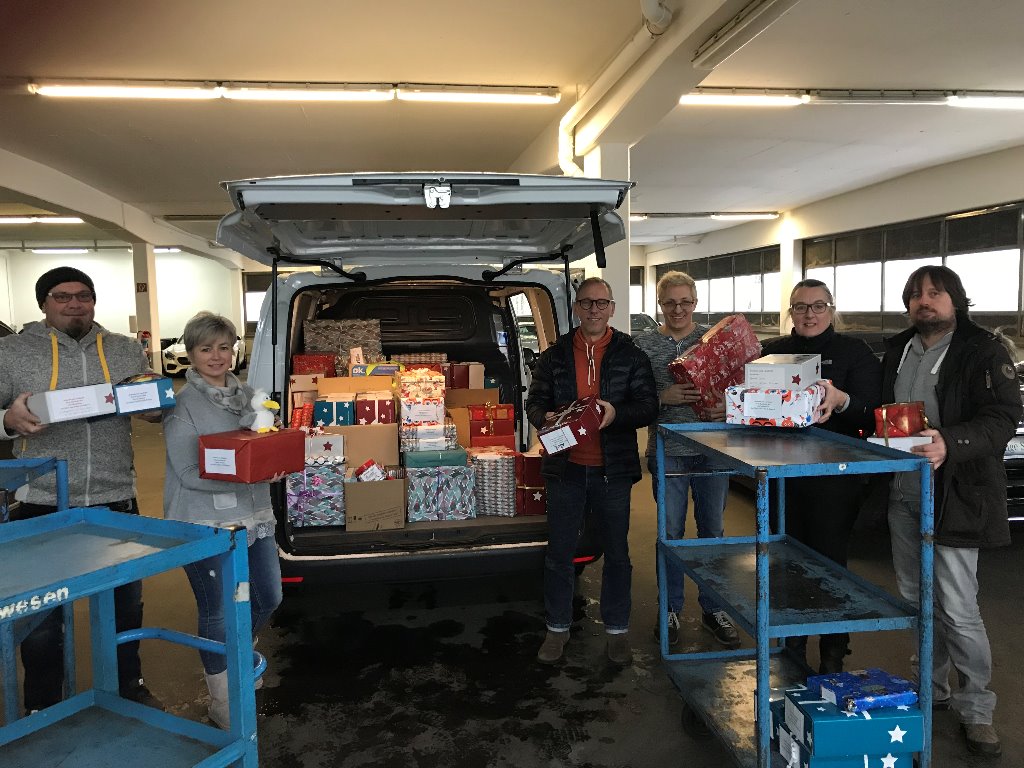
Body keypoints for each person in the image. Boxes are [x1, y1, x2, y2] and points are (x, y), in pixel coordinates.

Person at [0, 266, 162, 713]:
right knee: (42, 618)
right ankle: (44, 704)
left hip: (115, 497)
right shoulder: (11, 352)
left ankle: (128, 686)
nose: (75, 304)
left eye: (83, 296)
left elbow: (150, 404)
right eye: (62, 296)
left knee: (124, 606)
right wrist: (7, 420)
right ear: (43, 303)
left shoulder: (125, 349)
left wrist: (154, 407)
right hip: (41, 500)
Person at [882, 266, 1020, 758]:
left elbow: (1004, 416)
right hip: (904, 493)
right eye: (916, 295)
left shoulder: (982, 351)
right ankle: (931, 687)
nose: (925, 301)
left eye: (936, 293)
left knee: (958, 608)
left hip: (956, 494)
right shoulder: (899, 349)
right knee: (916, 599)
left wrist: (951, 442)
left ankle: (977, 710)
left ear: (956, 300)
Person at [525, 277, 658, 666]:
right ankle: (557, 628)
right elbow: (535, 401)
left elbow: (648, 406)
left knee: (617, 553)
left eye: (601, 303)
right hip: (565, 470)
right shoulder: (555, 355)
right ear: (576, 308)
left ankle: (617, 630)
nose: (594, 309)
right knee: (559, 553)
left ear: (612, 308)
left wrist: (617, 413)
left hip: (612, 472)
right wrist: (546, 418)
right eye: (586, 303)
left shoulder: (631, 355)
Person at [163, 311, 284, 728]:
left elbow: (263, 447)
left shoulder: (250, 396)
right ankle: (222, 698)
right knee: (217, 609)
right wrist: (249, 474)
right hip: (205, 521)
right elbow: (186, 472)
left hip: (255, 516)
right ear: (190, 353)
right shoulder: (183, 405)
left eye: (223, 347)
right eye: (205, 349)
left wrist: (274, 461)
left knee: (268, 596)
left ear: (235, 349)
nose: (216, 356)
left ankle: (238, 654)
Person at [760, 279, 882, 672]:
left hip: (835, 478)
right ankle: (791, 647)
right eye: (800, 307)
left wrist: (841, 401)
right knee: (785, 562)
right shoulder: (771, 352)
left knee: (829, 565)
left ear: (831, 309)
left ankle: (833, 651)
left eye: (818, 306)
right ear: (790, 312)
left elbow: (873, 412)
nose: (809, 314)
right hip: (782, 476)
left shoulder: (854, 352)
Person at [633, 271, 739, 648]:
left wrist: (728, 407)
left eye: (685, 302)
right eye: (670, 302)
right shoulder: (643, 345)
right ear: (659, 303)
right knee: (671, 534)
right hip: (668, 453)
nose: (677, 309)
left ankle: (714, 608)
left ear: (695, 302)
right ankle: (671, 608)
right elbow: (631, 397)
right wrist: (662, 398)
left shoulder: (713, 341)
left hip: (713, 450)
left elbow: (740, 387)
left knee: (712, 532)